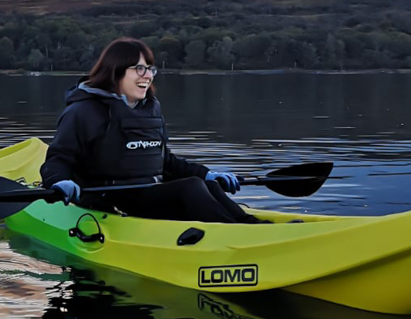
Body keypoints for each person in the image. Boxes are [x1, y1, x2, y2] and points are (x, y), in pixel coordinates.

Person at [40, 37, 262, 223]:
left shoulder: (150, 107)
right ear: (115, 71)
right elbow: (58, 158)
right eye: (139, 69)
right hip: (107, 199)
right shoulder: (83, 111)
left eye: (149, 69)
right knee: (191, 188)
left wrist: (207, 173)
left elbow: (165, 162)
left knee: (206, 185)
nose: (147, 76)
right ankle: (240, 235)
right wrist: (58, 181)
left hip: (147, 194)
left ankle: (253, 227)